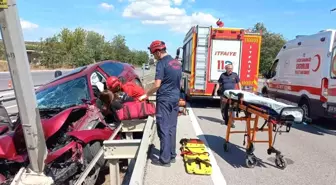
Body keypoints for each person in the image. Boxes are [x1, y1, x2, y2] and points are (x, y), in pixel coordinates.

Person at [138, 40, 182, 167]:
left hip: (164, 100)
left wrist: (146, 94)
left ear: (158, 51)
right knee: (172, 127)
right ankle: (172, 155)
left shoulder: (162, 63)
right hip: (175, 99)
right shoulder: (176, 63)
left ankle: (164, 159)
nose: (154, 56)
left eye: (153, 53)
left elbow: (157, 85)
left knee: (163, 127)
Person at [215, 63, 242, 128]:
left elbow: (238, 83)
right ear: (226, 68)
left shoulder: (235, 75)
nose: (230, 69)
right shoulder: (222, 75)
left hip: (232, 95)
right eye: (229, 68)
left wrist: (240, 90)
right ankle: (225, 120)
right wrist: (216, 91)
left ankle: (231, 122)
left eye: (231, 68)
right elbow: (218, 83)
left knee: (232, 108)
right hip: (224, 94)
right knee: (223, 108)